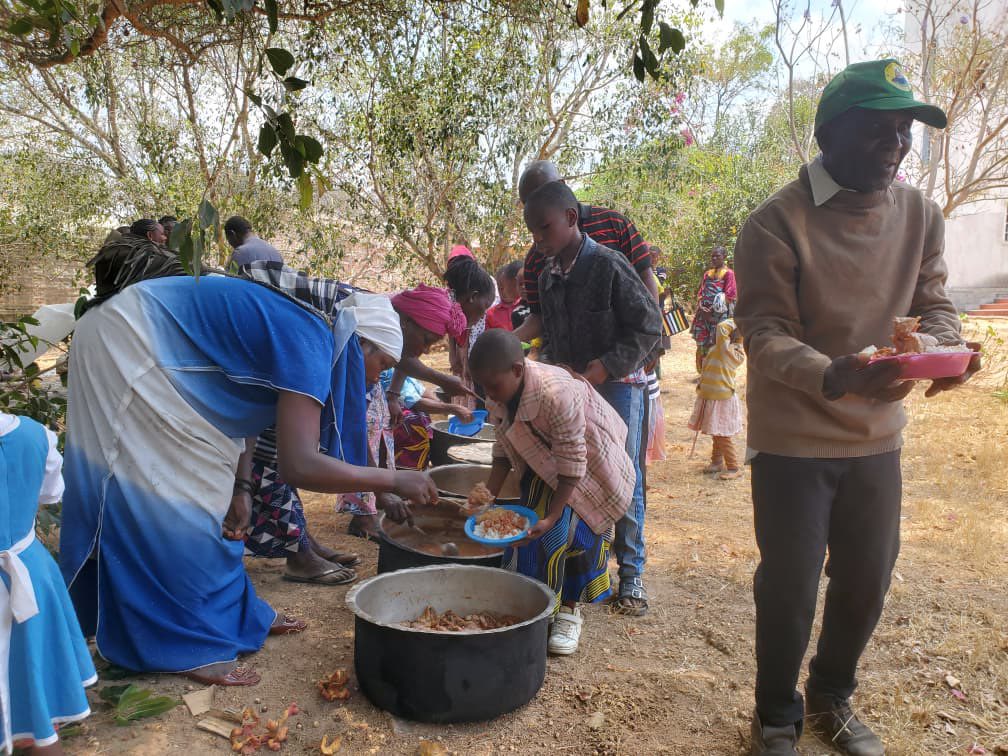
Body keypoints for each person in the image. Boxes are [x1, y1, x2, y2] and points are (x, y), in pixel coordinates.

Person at [735, 59, 981, 755]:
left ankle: (831, 696)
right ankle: (775, 712)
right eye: (880, 131)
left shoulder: (921, 216)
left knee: (867, 579)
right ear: (830, 134)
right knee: (788, 585)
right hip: (794, 438)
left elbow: (933, 306)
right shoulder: (776, 222)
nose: (897, 146)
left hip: (877, 438)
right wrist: (834, 376)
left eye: (903, 132)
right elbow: (764, 334)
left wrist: (946, 351)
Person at [60, 274, 437, 687]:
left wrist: (242, 488)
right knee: (176, 504)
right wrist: (393, 480)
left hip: (163, 361)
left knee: (215, 498)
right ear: (359, 344)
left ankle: (235, 615)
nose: (373, 380)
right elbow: (299, 465)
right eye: (380, 365)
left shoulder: (312, 334)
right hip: (135, 350)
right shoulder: (313, 340)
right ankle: (181, 644)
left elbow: (248, 408)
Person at [514, 161, 661, 616]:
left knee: (621, 474)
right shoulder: (545, 274)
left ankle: (631, 575)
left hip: (617, 386)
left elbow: (649, 325)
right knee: (572, 476)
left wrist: (606, 366)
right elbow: (549, 335)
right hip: (570, 391)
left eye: (545, 230)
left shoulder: (609, 262)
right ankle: (580, 575)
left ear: (571, 216)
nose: (539, 242)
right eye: (534, 233)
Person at [471, 330, 634, 655]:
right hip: (542, 462)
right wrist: (486, 496)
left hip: (589, 464)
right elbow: (503, 447)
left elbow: (574, 462)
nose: (489, 395)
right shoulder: (499, 392)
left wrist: (554, 514)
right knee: (531, 537)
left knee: (573, 533)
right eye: (484, 387)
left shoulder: (556, 393)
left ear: (517, 370)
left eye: (493, 386)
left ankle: (569, 611)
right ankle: (536, 605)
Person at [1, 412, 96, 755]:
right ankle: (35, 734)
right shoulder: (35, 435)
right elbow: (50, 494)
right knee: (31, 668)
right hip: (29, 573)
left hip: (24, 574)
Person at [380, 369, 473, 470]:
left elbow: (420, 388)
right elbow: (414, 402)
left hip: (417, 436)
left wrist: (440, 403)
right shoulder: (386, 368)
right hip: (400, 428)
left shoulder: (399, 365)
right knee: (403, 472)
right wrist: (453, 408)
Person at [687, 319, 744, 479]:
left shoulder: (729, 350)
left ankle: (733, 467)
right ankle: (717, 461)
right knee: (716, 431)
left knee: (722, 434)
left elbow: (721, 327)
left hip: (721, 399)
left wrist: (738, 319)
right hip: (713, 397)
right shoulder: (719, 349)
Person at [443, 255, 496, 411]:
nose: (483, 315)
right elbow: (406, 358)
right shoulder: (440, 313)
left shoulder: (448, 309)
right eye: (485, 307)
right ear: (473, 297)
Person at [689, 245, 737, 374]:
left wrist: (711, 311)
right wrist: (701, 306)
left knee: (716, 343)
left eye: (717, 256)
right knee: (702, 344)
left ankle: (716, 374)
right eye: (712, 256)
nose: (714, 258)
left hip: (718, 316)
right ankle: (704, 371)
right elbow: (701, 292)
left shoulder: (729, 274)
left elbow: (730, 295)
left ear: (724, 257)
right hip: (702, 315)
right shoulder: (707, 274)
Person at [486, 260, 522, 331]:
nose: (503, 291)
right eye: (500, 288)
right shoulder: (491, 314)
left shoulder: (525, 305)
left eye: (507, 287)